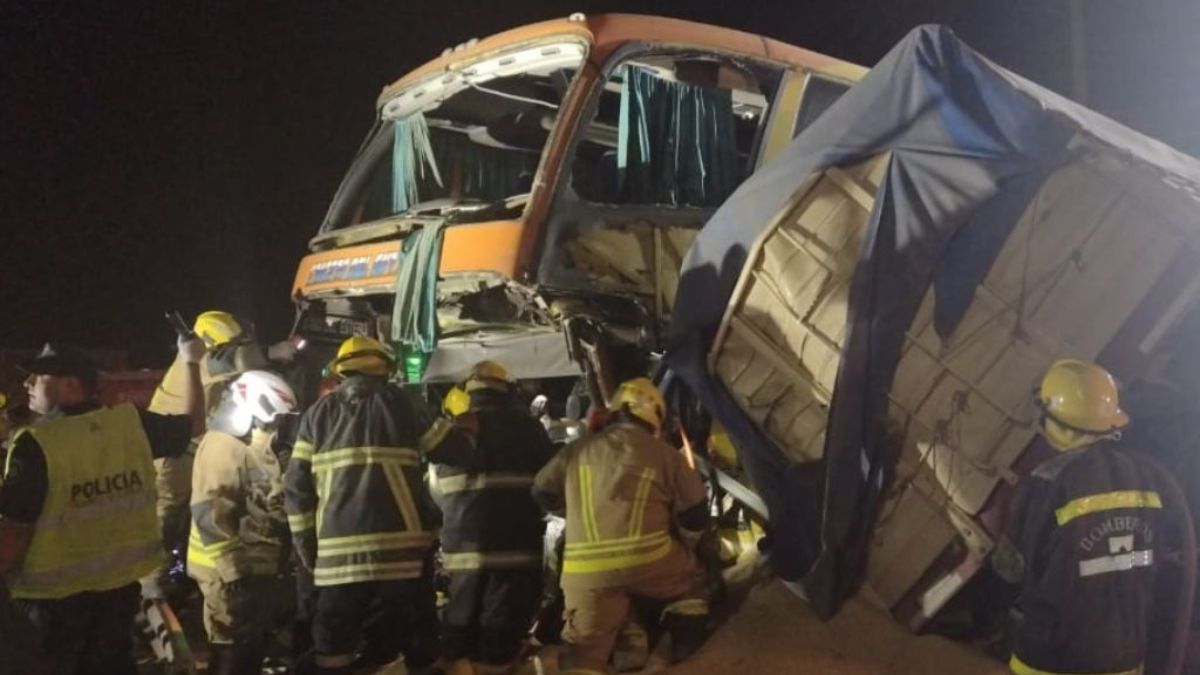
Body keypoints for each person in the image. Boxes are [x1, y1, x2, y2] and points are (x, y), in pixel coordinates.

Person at [0, 338, 205, 674]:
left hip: (51, 605)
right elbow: (195, 424)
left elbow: (15, 532)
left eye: (37, 378)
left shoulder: (36, 445)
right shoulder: (131, 425)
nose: (27, 384)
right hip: (118, 596)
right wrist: (191, 363)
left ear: (70, 386)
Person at [284, 335, 472, 674]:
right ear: (385, 369)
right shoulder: (404, 404)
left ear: (342, 372)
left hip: (337, 562)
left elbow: (296, 488)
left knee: (333, 651)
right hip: (402, 559)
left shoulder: (315, 416)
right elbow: (455, 451)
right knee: (415, 643)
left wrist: (305, 544)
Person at [993, 359, 1187, 675]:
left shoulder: (1049, 482)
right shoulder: (1149, 479)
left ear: (1055, 420)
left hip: (1053, 661)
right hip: (1125, 659)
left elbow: (1009, 569)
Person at [532, 377, 710, 675]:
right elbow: (695, 514)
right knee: (694, 578)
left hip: (585, 574)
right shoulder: (665, 454)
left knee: (584, 655)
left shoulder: (577, 449)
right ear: (654, 415)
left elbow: (541, 491)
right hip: (650, 561)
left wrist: (570, 511)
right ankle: (681, 642)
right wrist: (688, 546)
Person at [145, 310, 296, 596]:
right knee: (167, 517)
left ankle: (185, 579)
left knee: (195, 514)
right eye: (232, 344)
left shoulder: (213, 358)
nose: (239, 347)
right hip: (172, 455)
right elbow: (239, 360)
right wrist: (274, 351)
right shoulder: (200, 359)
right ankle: (152, 588)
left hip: (194, 445)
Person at [434, 361, 556, 675]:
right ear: (506, 389)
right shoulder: (529, 427)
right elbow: (551, 484)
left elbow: (434, 490)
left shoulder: (454, 428)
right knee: (500, 633)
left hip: (462, 549)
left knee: (460, 628)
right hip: (514, 549)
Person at [187, 370, 298, 674]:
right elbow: (210, 513)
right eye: (276, 416)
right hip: (226, 573)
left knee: (247, 641)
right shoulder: (224, 446)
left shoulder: (251, 441)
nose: (278, 424)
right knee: (232, 644)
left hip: (251, 570)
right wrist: (232, 571)